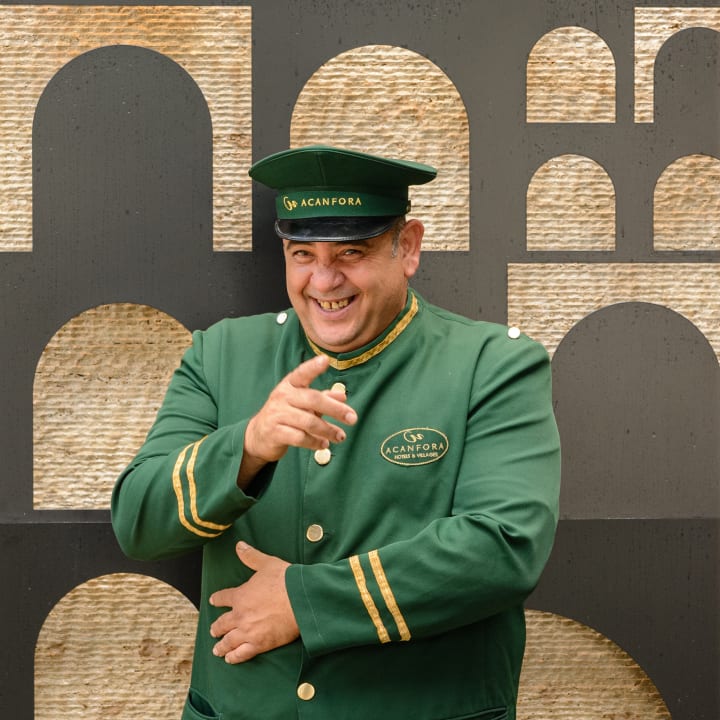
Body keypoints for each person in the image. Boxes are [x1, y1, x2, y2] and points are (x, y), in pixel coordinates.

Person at [111, 145, 561, 720]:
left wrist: (304, 602)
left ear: (408, 247)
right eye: (303, 254)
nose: (324, 279)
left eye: (352, 251)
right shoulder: (219, 353)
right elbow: (138, 524)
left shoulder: (493, 365)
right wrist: (247, 448)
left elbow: (504, 547)